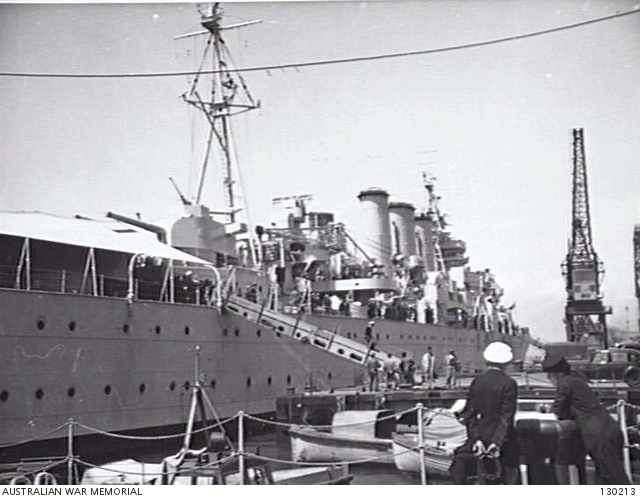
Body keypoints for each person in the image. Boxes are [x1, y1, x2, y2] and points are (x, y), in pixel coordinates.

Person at [541, 352, 631, 485]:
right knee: (610, 475)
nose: (549, 379)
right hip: (608, 428)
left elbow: (559, 410)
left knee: (613, 477)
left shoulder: (565, 383)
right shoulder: (577, 379)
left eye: (550, 376)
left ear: (557, 374)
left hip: (597, 434)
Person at [449, 341, 519, 485]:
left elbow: (470, 413)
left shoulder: (477, 381)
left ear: (487, 360)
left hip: (480, 438)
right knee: (507, 475)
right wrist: (497, 443)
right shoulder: (509, 383)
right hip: (503, 441)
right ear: (506, 362)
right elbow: (506, 417)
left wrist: (477, 439)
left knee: (480, 475)